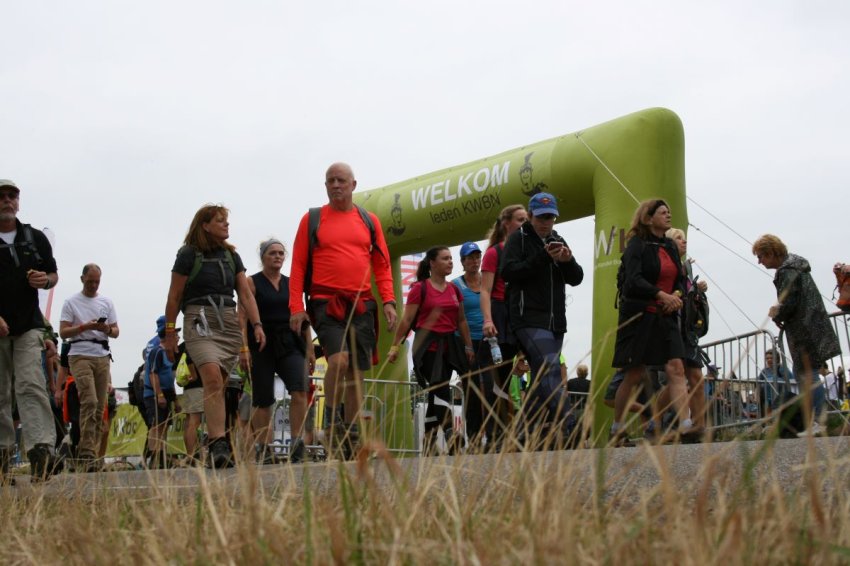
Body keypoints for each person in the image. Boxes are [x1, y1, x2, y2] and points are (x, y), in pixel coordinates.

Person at [289, 163, 397, 458]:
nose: (335, 185)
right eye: (330, 181)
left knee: (357, 374)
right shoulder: (312, 219)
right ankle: (332, 419)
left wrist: (388, 301)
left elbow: (382, 265)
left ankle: (348, 435)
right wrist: (296, 307)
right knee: (338, 362)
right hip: (325, 302)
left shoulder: (368, 220)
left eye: (341, 181)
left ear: (353, 184)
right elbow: (297, 265)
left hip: (362, 304)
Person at [163, 204, 266, 468]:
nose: (226, 225)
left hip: (227, 321)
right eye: (220, 221)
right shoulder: (188, 254)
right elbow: (174, 295)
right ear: (205, 225)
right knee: (210, 376)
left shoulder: (232, 257)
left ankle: (217, 443)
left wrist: (256, 324)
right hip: (199, 319)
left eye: (227, 221)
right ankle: (219, 441)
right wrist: (170, 332)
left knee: (218, 383)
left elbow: (245, 294)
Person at [502, 192, 584, 449]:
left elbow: (577, 277)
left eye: (551, 217)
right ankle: (572, 425)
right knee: (549, 371)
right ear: (531, 215)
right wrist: (543, 257)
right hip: (527, 318)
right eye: (541, 217)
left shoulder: (558, 238)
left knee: (540, 381)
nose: (547, 222)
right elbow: (509, 272)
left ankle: (522, 436)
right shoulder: (519, 239)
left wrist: (567, 260)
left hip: (555, 321)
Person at [610, 199, 692, 444]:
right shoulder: (636, 245)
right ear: (648, 217)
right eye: (663, 212)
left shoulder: (669, 245)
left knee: (676, 368)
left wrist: (676, 297)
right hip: (639, 315)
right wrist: (660, 295)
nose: (668, 216)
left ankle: (685, 424)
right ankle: (617, 428)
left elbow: (679, 279)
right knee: (634, 373)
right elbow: (633, 280)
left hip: (665, 315)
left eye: (669, 211)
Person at [0, 179, 62, 481]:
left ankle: (42, 450)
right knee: (1, 392)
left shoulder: (34, 237)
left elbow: (53, 274)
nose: (7, 201)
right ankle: (2, 456)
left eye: (12, 196)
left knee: (30, 383)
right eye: (1, 196)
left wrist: (46, 281)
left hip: (29, 325)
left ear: (18, 202)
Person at [387, 246, 474, 455]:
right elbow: (407, 319)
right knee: (441, 387)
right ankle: (450, 432)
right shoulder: (420, 288)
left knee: (437, 393)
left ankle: (428, 439)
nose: (450, 262)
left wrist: (468, 345)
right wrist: (395, 347)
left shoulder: (454, 290)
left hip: (450, 346)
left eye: (451, 259)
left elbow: (461, 320)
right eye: (445, 259)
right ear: (432, 263)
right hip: (427, 347)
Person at [752, 234, 840, 436]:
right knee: (807, 374)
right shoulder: (795, 265)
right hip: (811, 323)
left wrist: (777, 312)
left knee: (807, 375)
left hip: (803, 328)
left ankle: (818, 421)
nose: (759, 261)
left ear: (772, 253)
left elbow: (789, 299)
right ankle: (815, 421)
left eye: (761, 256)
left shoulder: (787, 270)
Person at [243, 238, 315, 464]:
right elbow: (240, 317)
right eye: (272, 253)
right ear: (263, 257)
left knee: (300, 388)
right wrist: (243, 347)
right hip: (261, 343)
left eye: (281, 253)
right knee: (263, 398)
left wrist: (310, 346)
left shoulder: (292, 283)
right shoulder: (251, 282)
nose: (277, 257)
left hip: (289, 341)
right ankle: (264, 449)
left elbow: (303, 318)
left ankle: (297, 444)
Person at [58, 263, 118, 472]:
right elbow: (63, 332)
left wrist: (106, 328)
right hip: (79, 353)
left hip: (102, 355)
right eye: (90, 281)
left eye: (97, 282)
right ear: (82, 279)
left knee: (99, 406)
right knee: (89, 401)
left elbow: (116, 331)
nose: (93, 285)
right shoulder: (71, 302)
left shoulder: (106, 302)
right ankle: (86, 452)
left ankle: (88, 452)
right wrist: (84, 327)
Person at [479, 204, 528, 449]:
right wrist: (487, 320)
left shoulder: (526, 251)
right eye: (520, 219)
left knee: (511, 379)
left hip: (520, 314)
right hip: (498, 314)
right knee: (496, 381)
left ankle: (513, 433)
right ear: (506, 223)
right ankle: (495, 434)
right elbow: (485, 290)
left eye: (526, 219)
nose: (524, 224)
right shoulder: (494, 253)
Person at [667, 227, 709, 437]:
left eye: (684, 238)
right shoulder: (666, 266)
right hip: (671, 326)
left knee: (696, 377)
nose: (684, 242)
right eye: (678, 238)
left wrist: (698, 290)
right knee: (676, 378)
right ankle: (655, 421)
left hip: (688, 329)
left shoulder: (686, 267)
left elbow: (687, 294)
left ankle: (699, 424)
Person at [451, 241, 490, 450]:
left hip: (488, 339)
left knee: (493, 388)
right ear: (463, 262)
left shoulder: (488, 280)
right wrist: (466, 345)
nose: (474, 261)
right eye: (470, 258)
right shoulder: (456, 285)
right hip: (466, 341)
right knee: (473, 389)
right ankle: (474, 438)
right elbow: (455, 316)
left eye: (477, 257)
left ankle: (494, 436)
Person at [144, 321, 180, 469]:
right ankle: (154, 456)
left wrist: (175, 400)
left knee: (164, 425)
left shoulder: (170, 353)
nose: (178, 336)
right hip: (154, 393)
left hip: (166, 392)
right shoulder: (157, 352)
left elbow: (170, 378)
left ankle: (162, 455)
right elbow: (153, 374)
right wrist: (159, 395)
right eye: (175, 334)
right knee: (156, 425)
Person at [756, 348, 793, 417]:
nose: (769, 360)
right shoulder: (764, 371)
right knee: (768, 416)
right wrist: (757, 396)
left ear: (777, 359)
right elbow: (758, 383)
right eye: (767, 358)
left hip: (780, 398)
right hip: (767, 399)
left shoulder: (782, 368)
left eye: (771, 358)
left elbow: (791, 380)